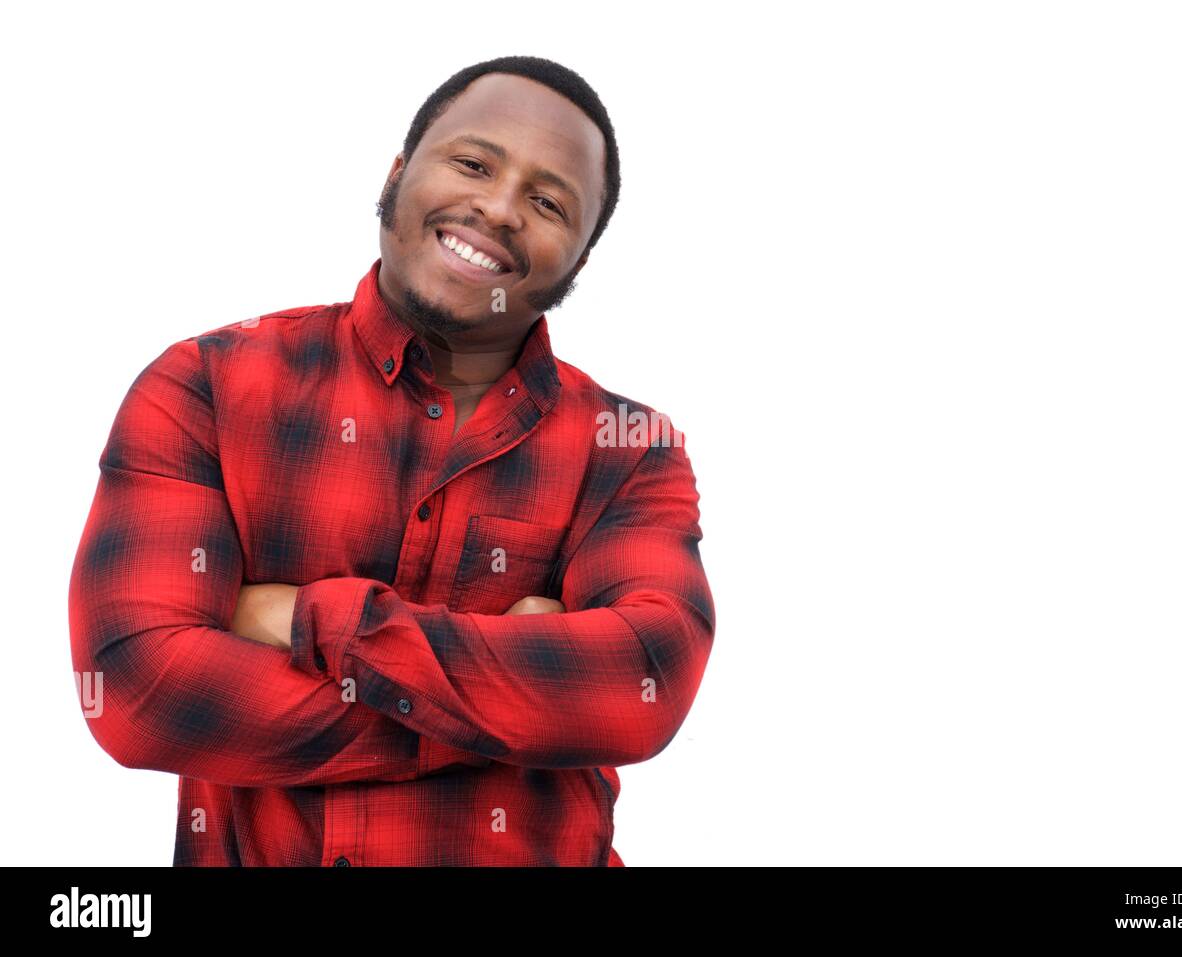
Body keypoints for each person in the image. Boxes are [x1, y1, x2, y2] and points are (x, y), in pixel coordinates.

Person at [68, 55, 715, 867]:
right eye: (474, 163)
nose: (498, 207)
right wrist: (509, 702)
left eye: (548, 202)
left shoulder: (629, 452)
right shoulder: (205, 386)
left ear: (579, 260)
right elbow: (142, 693)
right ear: (399, 174)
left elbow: (640, 686)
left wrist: (303, 620)